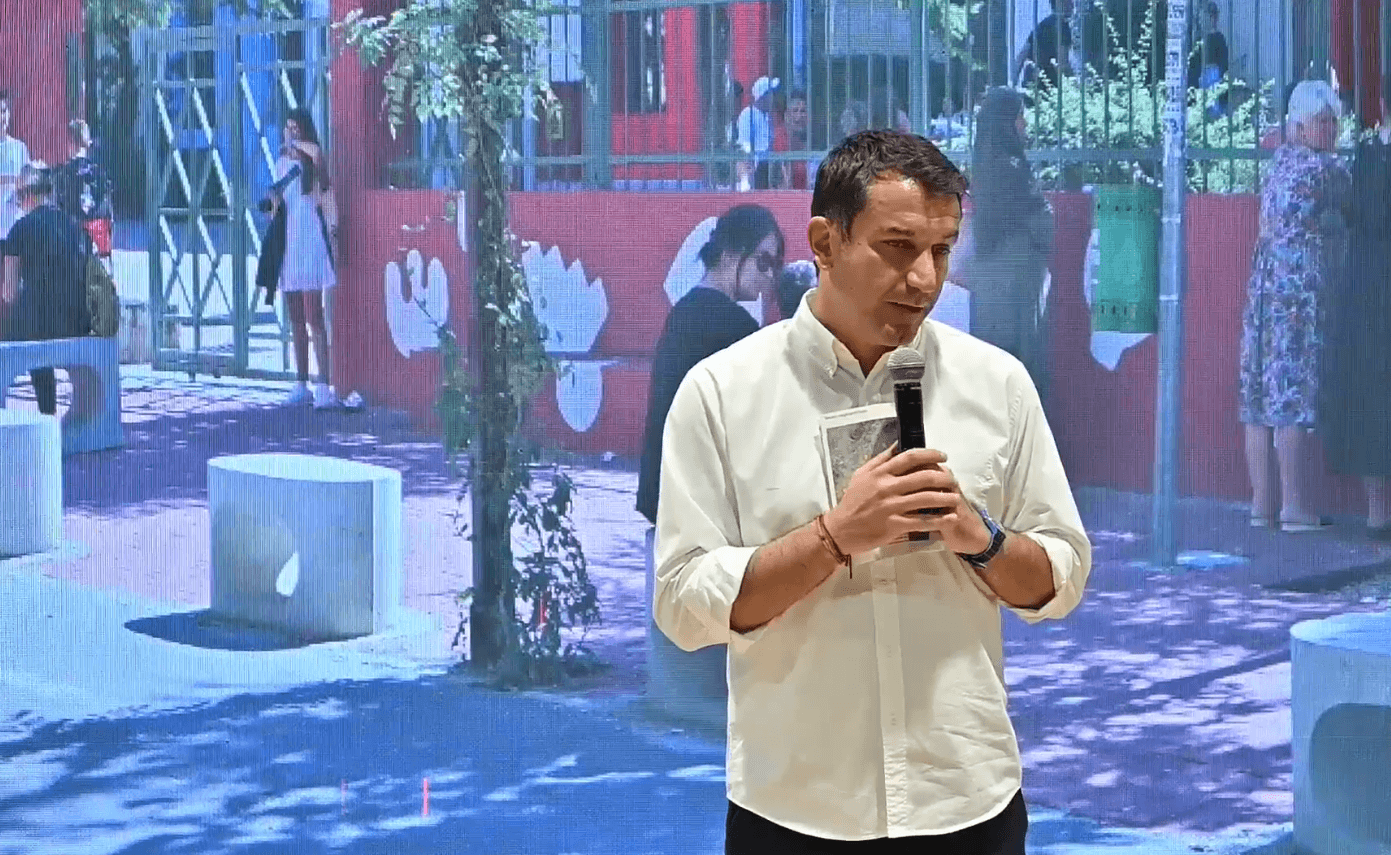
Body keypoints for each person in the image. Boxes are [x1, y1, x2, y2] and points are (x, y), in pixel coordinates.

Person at [652, 130, 1091, 853]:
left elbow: (1062, 576)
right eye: (897, 247)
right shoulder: (721, 393)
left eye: (941, 250)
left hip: (967, 806)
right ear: (824, 243)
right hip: (793, 813)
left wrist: (978, 537)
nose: (924, 278)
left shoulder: (998, 385)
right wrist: (833, 538)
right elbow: (682, 603)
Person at [1239, 80, 1349, 532]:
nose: (1333, 130)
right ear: (1301, 126)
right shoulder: (1325, 169)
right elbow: (1353, 201)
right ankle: (1295, 506)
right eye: (1324, 122)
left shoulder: (1280, 162)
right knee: (1291, 391)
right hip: (1297, 292)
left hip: (1264, 287)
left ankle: (1262, 504)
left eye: (1334, 122)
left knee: (1257, 394)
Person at [636, 204, 785, 525]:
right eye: (763, 261)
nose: (770, 276)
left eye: (774, 266)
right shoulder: (733, 324)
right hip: (699, 504)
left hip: (660, 493)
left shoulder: (684, 310)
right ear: (730, 255)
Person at [1320, 71, 1391, 538]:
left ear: (1382, 102)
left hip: (1368, 284)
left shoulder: (1365, 156)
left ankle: (1377, 512)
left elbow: (1350, 213)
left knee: (1369, 390)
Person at [957, 88, 1054, 396]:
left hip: (993, 283)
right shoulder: (1010, 170)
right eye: (1019, 116)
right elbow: (1036, 218)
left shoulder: (986, 166)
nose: (1024, 124)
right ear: (1006, 122)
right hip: (1013, 282)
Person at [262, 108, 341, 409]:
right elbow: (275, 211)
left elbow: (318, 155)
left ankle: (324, 386)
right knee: (295, 318)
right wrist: (272, 202)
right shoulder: (282, 165)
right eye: (287, 128)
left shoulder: (312, 162)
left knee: (314, 317)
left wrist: (297, 146)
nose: (290, 134)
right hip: (289, 245)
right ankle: (301, 383)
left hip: (311, 244)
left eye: (296, 128)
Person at [1, 163, 91, 416]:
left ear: (30, 194)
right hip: (77, 322)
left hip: (39, 326)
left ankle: (46, 412)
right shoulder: (74, 226)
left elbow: (8, 293)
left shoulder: (19, 230)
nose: (18, 203)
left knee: (24, 330)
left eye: (19, 197)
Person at [54, 119, 114, 258]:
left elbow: (60, 202)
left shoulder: (65, 171)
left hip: (75, 228)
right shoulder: (99, 168)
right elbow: (108, 195)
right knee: (102, 260)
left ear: (70, 142)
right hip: (99, 227)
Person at [1015, 0, 1073, 90]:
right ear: (1060, 3)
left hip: (1031, 82)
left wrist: (1014, 83)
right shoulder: (1062, 28)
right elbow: (1063, 63)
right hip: (1049, 85)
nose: (1072, 5)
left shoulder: (1041, 25)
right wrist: (1074, 83)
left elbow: (1022, 56)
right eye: (1069, 1)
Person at [735, 77, 780, 190]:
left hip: (767, 165)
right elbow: (744, 144)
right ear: (763, 96)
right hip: (754, 166)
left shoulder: (768, 116)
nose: (774, 98)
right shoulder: (747, 114)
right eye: (771, 94)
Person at [0, 90, 32, 240]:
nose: (1, 117)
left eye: (3, 111)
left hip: (15, 227)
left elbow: (29, 183)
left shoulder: (20, 148)